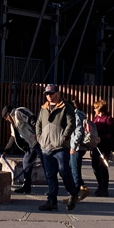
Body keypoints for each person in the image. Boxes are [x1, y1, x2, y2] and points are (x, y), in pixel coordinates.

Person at [35, 84, 80, 212]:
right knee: (50, 174)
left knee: (64, 171)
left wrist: (63, 138)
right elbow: (38, 123)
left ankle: (73, 192)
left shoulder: (66, 107)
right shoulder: (44, 108)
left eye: (51, 93)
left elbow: (71, 123)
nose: (49, 96)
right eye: (47, 94)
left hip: (60, 146)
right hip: (46, 146)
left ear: (58, 93)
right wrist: (39, 137)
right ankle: (51, 200)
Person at [72, 99, 112, 197]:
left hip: (104, 146)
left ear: (100, 108)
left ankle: (104, 187)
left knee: (103, 166)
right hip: (95, 146)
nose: (94, 110)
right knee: (94, 166)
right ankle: (99, 184)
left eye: (95, 108)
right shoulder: (96, 118)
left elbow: (110, 134)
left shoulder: (108, 119)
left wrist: (100, 138)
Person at [0, 105, 39, 194]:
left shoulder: (18, 112)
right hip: (30, 145)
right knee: (26, 162)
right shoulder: (12, 124)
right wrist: (6, 150)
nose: (6, 119)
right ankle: (26, 186)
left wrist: (38, 133)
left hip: (37, 141)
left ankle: (54, 188)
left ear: (8, 114)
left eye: (5, 117)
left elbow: (32, 119)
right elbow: (13, 138)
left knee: (46, 163)